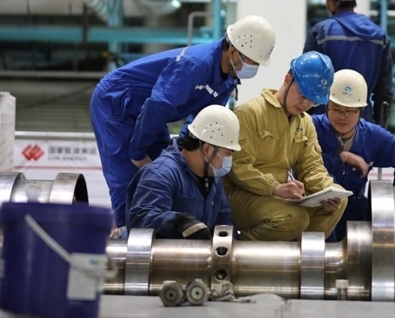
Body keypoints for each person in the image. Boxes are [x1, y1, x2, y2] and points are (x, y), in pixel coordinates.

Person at [90, 15, 275, 236]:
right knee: (128, 174)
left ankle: (166, 234)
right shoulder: (195, 64)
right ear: (233, 51)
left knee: (165, 169)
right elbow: (158, 106)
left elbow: (201, 123)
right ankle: (125, 234)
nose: (253, 68)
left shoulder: (227, 80)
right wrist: (138, 152)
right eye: (252, 62)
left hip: (150, 111)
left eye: (257, 64)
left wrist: (189, 152)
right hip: (116, 101)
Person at [223, 51, 348, 241]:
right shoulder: (249, 114)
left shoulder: (305, 123)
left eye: (312, 100)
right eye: (303, 95)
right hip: (243, 195)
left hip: (281, 198)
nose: (305, 104)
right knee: (294, 218)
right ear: (287, 80)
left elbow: (312, 167)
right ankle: (241, 247)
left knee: (338, 202)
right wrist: (274, 188)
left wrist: (327, 190)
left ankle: (301, 253)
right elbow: (238, 168)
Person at [312, 69, 395, 241]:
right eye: (336, 109)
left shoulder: (373, 137)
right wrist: (340, 158)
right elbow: (296, 160)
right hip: (314, 207)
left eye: (350, 111)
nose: (342, 116)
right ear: (327, 105)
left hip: (351, 209)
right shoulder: (311, 127)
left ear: (361, 110)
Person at [126, 105, 240, 239]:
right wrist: (179, 222)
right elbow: (142, 218)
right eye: (227, 153)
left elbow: (224, 223)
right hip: (161, 253)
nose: (228, 160)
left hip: (196, 252)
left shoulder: (213, 180)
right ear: (207, 150)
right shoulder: (160, 173)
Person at [303, 0, 393, 124]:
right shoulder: (379, 37)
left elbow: (306, 83)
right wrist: (378, 130)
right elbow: (384, 94)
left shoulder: (321, 33)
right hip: (361, 124)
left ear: (332, 0)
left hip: (322, 123)